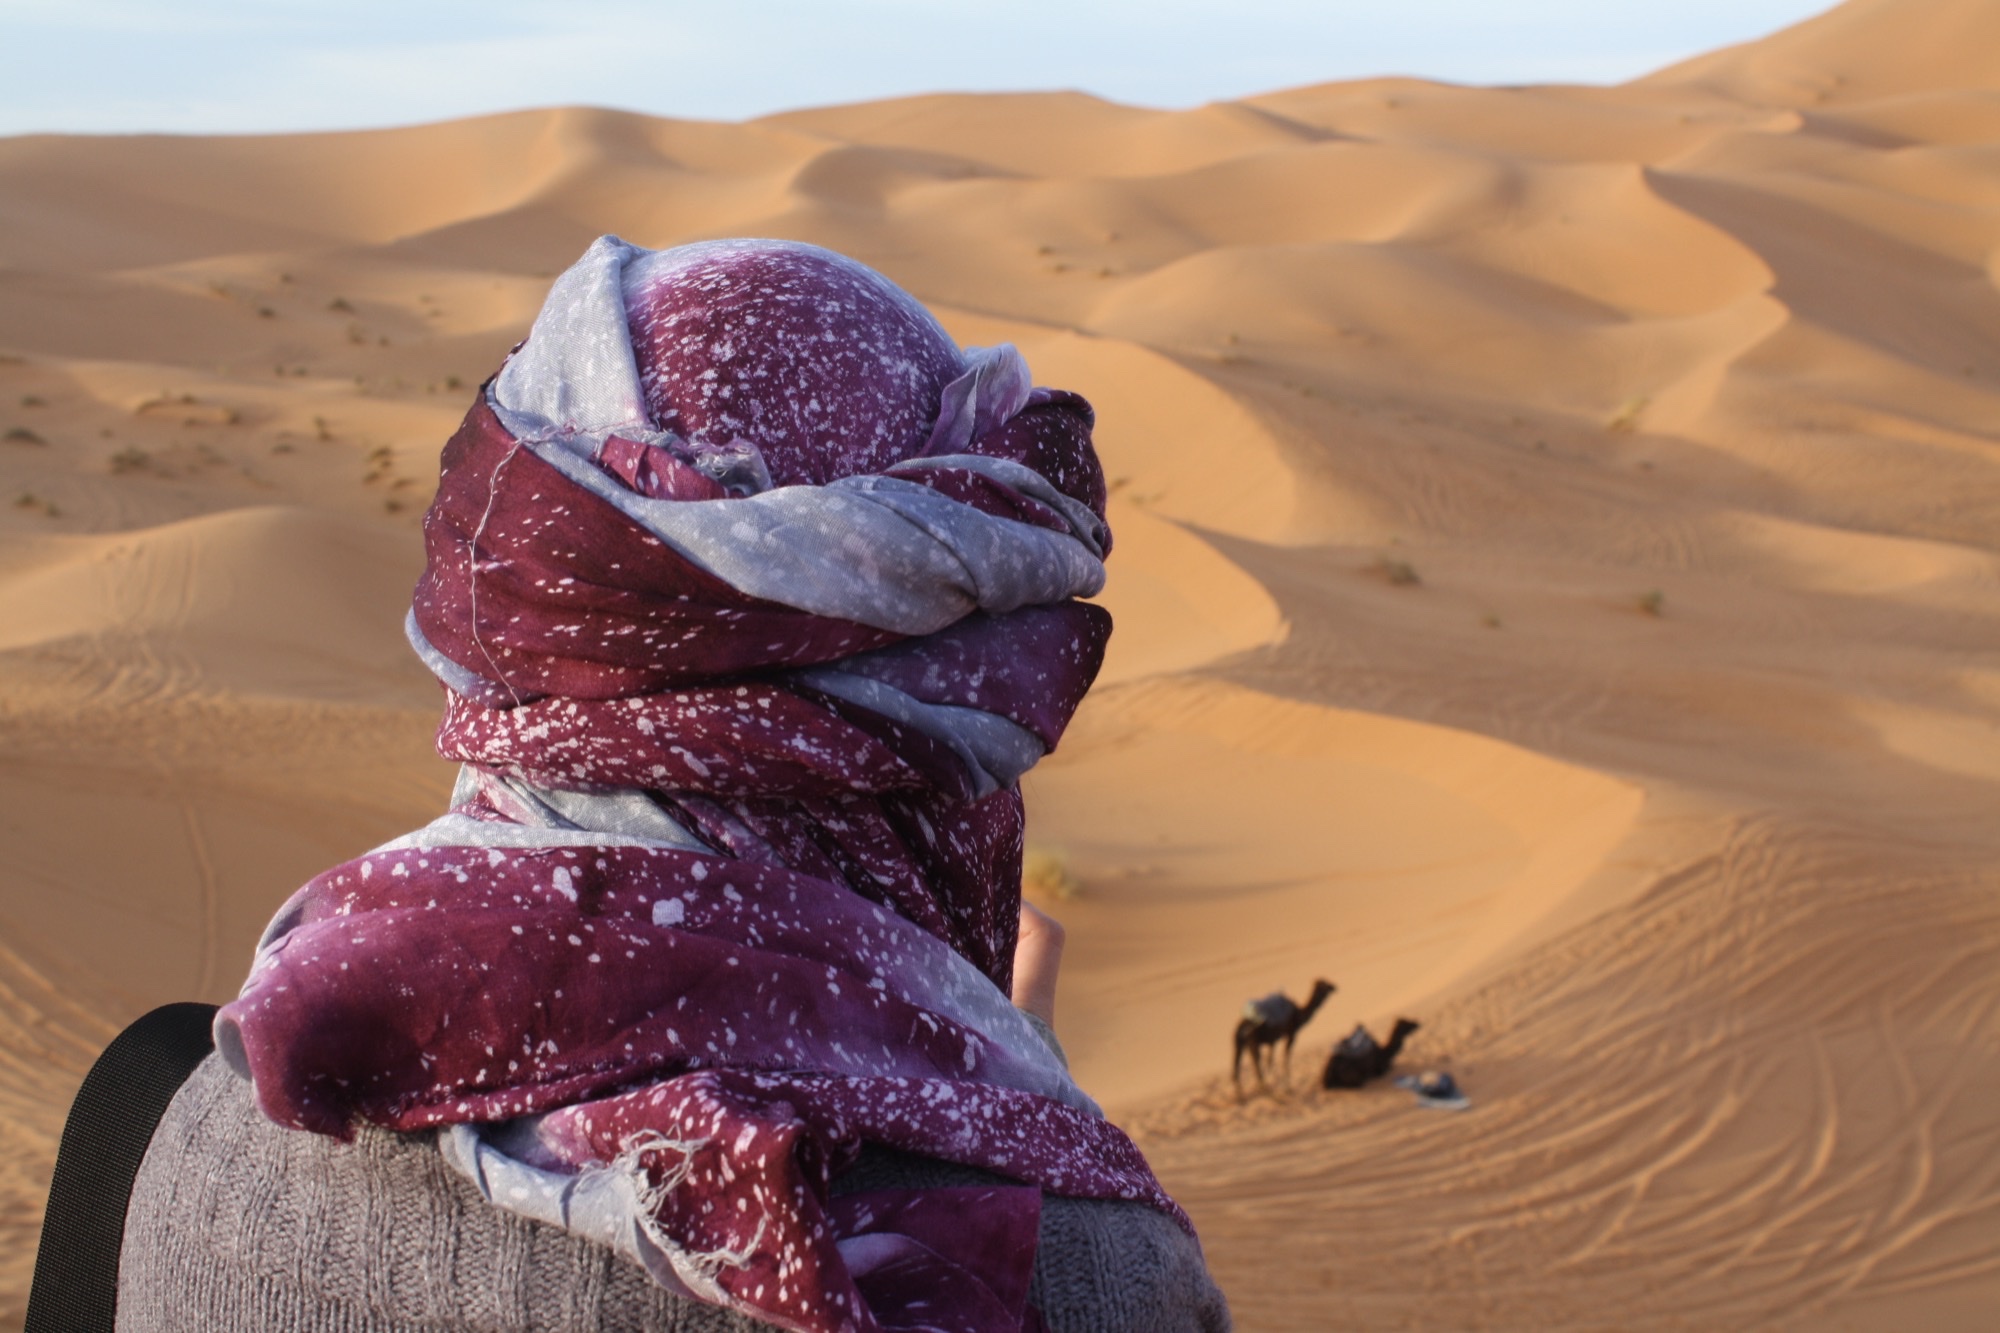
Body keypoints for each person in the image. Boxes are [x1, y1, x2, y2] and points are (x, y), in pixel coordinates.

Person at [116, 236, 1231, 1333]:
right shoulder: (1083, 1271)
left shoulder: (216, 1114)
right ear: (953, 716)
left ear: (502, 630)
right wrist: (1004, 1108)